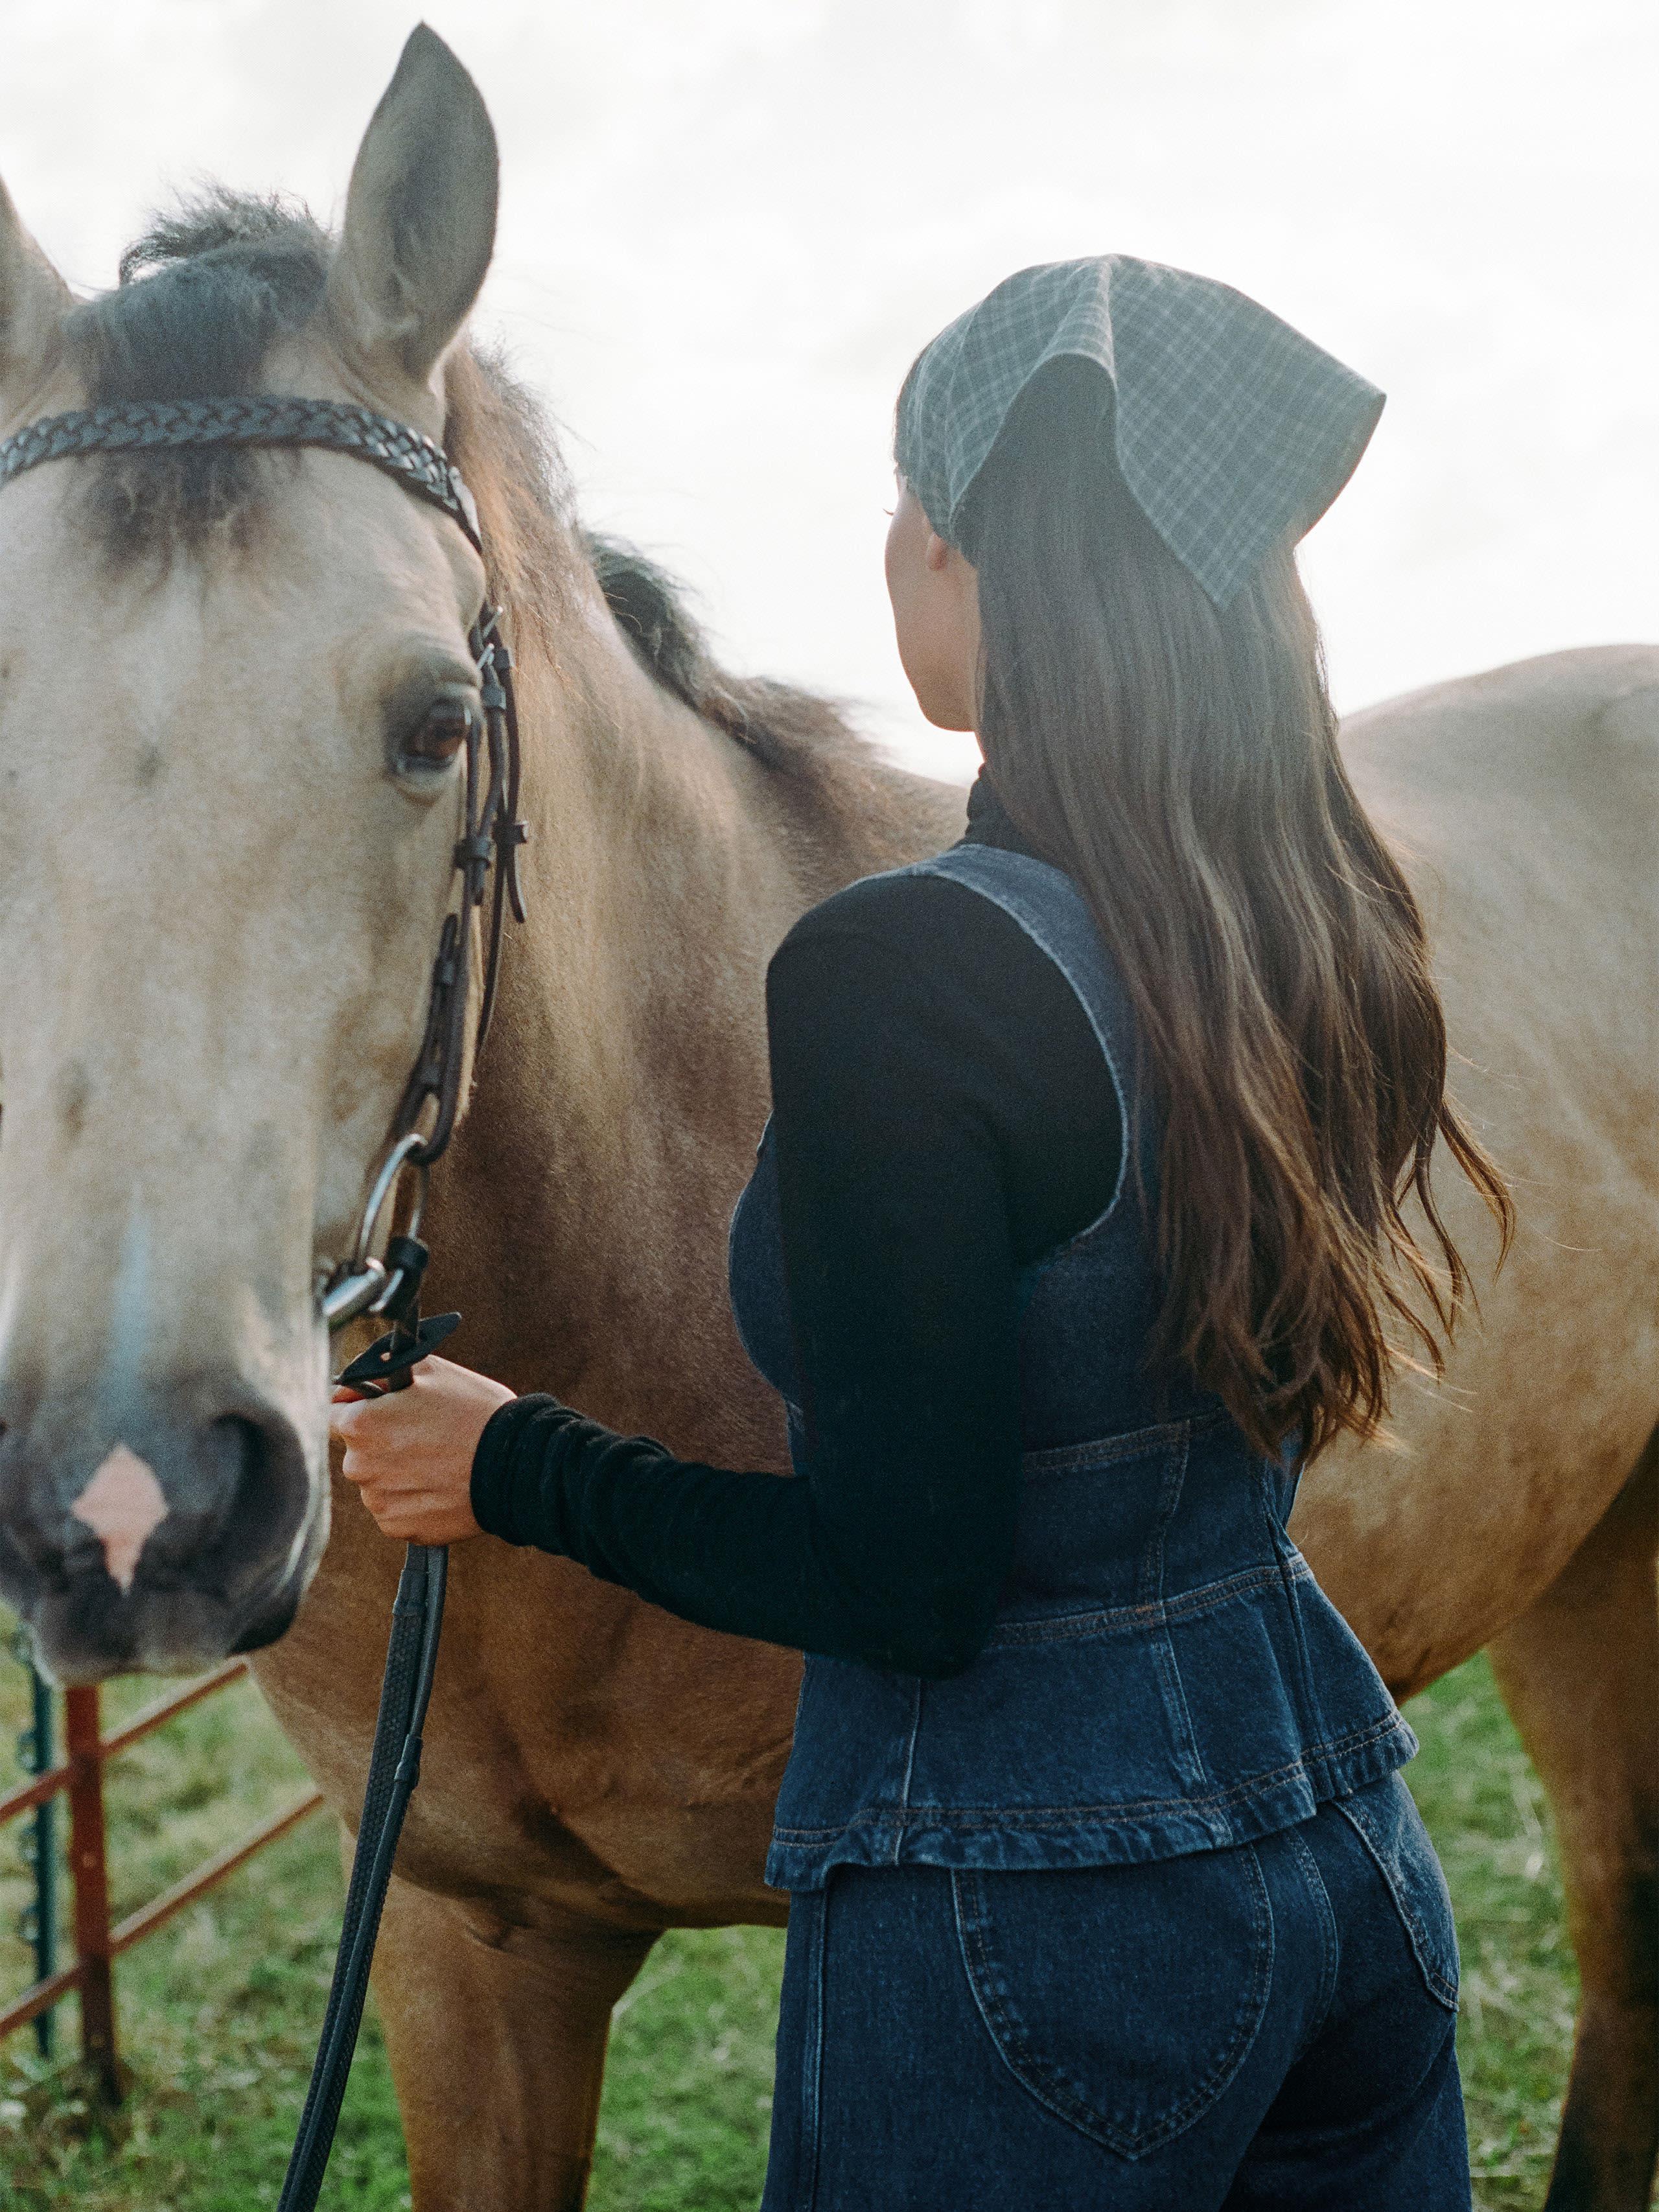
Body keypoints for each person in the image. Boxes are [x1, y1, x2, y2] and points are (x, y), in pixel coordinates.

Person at [332, 255, 1510, 2209]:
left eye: (905, 504)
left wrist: (510, 1459)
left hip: (1031, 1928)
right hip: (1345, 1846)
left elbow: (910, 1579)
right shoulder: (1313, 916)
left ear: (968, 556)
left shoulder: (910, 968)